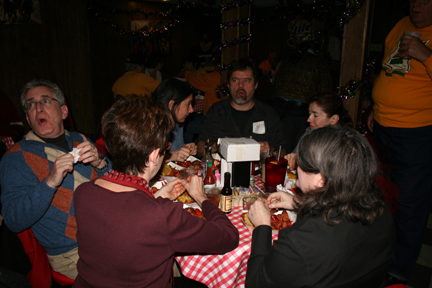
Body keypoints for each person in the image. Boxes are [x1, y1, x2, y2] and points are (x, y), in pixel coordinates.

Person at [73, 95, 239, 288]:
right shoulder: (163, 215)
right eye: (165, 148)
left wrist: (153, 197)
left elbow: (123, 221)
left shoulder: (83, 192)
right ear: (154, 155)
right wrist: (201, 197)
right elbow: (229, 237)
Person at [246, 126, 395, 287]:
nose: (296, 169)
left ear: (321, 180)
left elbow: (255, 284)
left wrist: (262, 227)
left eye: (300, 164)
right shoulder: (380, 207)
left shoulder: (299, 244)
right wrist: (298, 203)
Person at [0, 79, 112, 279]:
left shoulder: (81, 139)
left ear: (63, 112)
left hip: (112, 230)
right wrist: (50, 182)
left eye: (45, 101)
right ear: (27, 117)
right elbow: (14, 219)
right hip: (75, 252)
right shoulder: (15, 157)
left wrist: (100, 163)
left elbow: (114, 180)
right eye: (31, 105)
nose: (38, 108)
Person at [367, 1, 432, 285]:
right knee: (381, 194)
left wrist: (427, 55)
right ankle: (376, 255)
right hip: (383, 127)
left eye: (425, 0)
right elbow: (387, 71)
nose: (416, 4)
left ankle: (398, 271)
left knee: (410, 203)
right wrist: (374, 107)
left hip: (416, 133)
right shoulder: (399, 25)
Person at [197, 59, 287, 158]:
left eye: (247, 80)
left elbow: (283, 153)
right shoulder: (216, 111)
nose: (241, 86)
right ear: (228, 84)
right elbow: (199, 150)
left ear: (256, 84)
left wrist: (270, 150)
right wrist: (216, 145)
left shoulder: (268, 113)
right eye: (235, 80)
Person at [285, 92, 352, 169]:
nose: (309, 119)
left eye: (315, 115)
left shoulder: (343, 144)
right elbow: (294, 157)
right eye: (309, 114)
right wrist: (292, 159)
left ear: (334, 119)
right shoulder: (309, 132)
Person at [152, 77, 197, 162]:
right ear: (172, 105)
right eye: (188, 104)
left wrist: (185, 149)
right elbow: (144, 164)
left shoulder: (177, 123)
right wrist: (171, 156)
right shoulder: (150, 127)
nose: (191, 110)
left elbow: (177, 151)